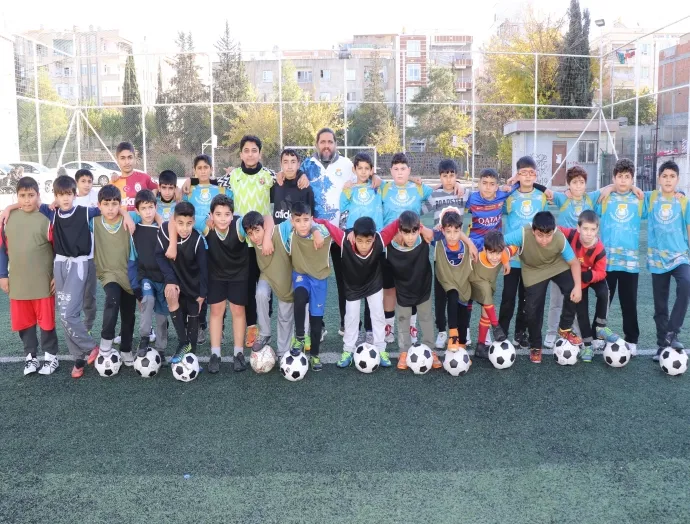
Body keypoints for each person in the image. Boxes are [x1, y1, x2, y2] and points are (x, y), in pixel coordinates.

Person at [179, 135, 274, 351]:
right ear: (240, 154)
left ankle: (264, 328)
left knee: (265, 286)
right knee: (246, 287)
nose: (250, 154)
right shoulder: (232, 176)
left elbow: (286, 180)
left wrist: (301, 177)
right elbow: (208, 181)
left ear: (260, 153)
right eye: (246, 150)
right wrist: (190, 181)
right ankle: (251, 327)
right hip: (240, 239)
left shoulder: (269, 175)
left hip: (260, 239)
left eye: (254, 150)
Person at [314, 216, 401, 369]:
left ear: (374, 237)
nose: (364, 246)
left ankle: (381, 349)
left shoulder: (380, 240)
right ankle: (348, 350)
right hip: (352, 286)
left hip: (373, 283)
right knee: (351, 317)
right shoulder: (345, 241)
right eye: (360, 241)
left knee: (378, 315)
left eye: (368, 241)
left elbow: (397, 223)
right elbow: (329, 226)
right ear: (354, 236)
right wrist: (318, 221)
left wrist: (419, 226)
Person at [42, 176, 103, 378]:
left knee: (69, 313)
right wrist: (7, 209)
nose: (65, 198)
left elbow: (108, 208)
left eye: (68, 194)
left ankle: (91, 347)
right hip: (59, 263)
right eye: (61, 195)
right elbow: (30, 203)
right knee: (64, 314)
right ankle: (78, 359)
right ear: (55, 196)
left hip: (79, 263)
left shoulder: (85, 211)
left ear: (75, 194)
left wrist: (127, 216)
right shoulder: (52, 213)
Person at [503, 211, 583, 363]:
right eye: (540, 235)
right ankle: (535, 345)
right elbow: (500, 241)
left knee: (572, 288)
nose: (544, 240)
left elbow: (574, 263)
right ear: (533, 231)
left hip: (556, 265)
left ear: (554, 231)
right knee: (532, 310)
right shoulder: (523, 234)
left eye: (548, 235)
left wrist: (578, 287)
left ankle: (565, 328)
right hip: (533, 271)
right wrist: (505, 258)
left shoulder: (559, 237)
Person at [0, 177, 59, 376]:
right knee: (24, 322)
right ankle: (30, 357)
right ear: (16, 196)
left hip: (43, 281)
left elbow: (58, 249)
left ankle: (51, 356)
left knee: (47, 321)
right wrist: (2, 275)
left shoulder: (47, 217)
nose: (27, 200)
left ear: (38, 195)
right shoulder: (7, 218)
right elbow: (2, 249)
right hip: (18, 281)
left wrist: (56, 275)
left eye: (31, 195)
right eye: (22, 196)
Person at [380, 153, 434, 344]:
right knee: (389, 289)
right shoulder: (384, 188)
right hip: (389, 248)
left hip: (413, 248)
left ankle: (412, 327)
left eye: (403, 169)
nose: (400, 172)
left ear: (409, 170)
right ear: (391, 171)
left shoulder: (418, 188)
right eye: (396, 169)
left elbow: (440, 193)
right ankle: (388, 327)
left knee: (411, 287)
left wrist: (458, 185)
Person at [595, 158, 647, 355]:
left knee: (629, 302)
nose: (623, 180)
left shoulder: (640, 199)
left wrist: (634, 189)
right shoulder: (605, 198)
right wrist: (608, 188)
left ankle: (632, 339)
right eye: (619, 176)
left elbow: (662, 196)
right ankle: (597, 336)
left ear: (632, 179)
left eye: (627, 177)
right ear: (613, 178)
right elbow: (588, 197)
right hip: (607, 262)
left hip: (630, 263)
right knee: (604, 300)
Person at [498, 157, 548, 350]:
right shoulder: (509, 196)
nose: (527, 176)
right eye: (523, 172)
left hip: (532, 258)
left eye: (531, 172)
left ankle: (520, 333)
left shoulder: (541, 197)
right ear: (517, 174)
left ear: (536, 175)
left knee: (526, 299)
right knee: (508, 297)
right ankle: (501, 333)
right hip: (511, 257)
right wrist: (508, 185)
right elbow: (495, 201)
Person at [644, 160, 690, 360]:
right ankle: (662, 345)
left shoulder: (684, 201)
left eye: (672, 176)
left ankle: (672, 332)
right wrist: (609, 187)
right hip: (657, 259)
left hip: (680, 256)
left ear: (677, 179)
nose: (668, 180)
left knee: (686, 283)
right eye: (664, 176)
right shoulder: (651, 197)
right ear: (659, 179)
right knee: (660, 305)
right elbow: (630, 191)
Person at [558, 211, 618, 362]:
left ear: (597, 230)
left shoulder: (599, 248)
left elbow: (602, 272)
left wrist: (590, 276)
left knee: (604, 292)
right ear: (578, 228)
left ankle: (600, 326)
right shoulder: (571, 234)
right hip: (578, 279)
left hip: (592, 275)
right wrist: (539, 225)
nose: (589, 233)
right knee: (582, 311)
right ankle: (587, 345)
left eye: (592, 229)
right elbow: (555, 229)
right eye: (585, 229)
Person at [92, 184, 140, 366]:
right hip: (107, 273)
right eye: (106, 204)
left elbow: (150, 213)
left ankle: (126, 349)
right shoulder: (94, 221)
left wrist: (126, 214)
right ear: (99, 205)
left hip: (128, 274)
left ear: (120, 205)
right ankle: (106, 342)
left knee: (128, 314)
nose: (110, 208)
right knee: (112, 300)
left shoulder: (129, 218)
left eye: (114, 204)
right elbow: (71, 212)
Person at [204, 195, 253, 373]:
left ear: (233, 215)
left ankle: (238, 353)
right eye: (218, 214)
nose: (223, 218)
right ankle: (215, 354)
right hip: (216, 274)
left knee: (238, 311)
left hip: (238, 274)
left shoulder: (240, 225)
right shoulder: (205, 225)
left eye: (227, 214)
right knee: (216, 311)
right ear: (211, 215)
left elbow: (263, 219)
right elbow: (177, 219)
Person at [382, 211, 436, 370]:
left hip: (423, 287)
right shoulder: (390, 245)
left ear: (419, 230)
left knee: (426, 318)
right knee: (403, 319)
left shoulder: (425, 239)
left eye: (414, 232)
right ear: (399, 231)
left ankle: (430, 350)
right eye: (406, 233)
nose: (410, 237)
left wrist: (425, 229)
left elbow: (436, 234)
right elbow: (377, 238)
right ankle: (404, 352)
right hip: (403, 289)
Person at [155, 201, 208, 364]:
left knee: (193, 322)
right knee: (170, 292)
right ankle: (182, 342)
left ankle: (191, 359)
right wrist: (170, 279)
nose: (184, 228)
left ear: (194, 222)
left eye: (189, 224)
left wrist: (202, 295)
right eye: (180, 223)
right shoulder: (165, 232)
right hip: (176, 282)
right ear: (174, 221)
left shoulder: (197, 240)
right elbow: (159, 256)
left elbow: (204, 269)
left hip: (194, 286)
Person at [423, 159, 466, 350]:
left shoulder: (463, 194)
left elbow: (485, 195)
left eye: (452, 175)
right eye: (444, 176)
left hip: (459, 254)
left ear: (456, 176)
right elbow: (418, 208)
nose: (449, 179)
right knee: (440, 295)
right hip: (440, 252)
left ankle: (459, 330)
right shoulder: (435, 195)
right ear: (440, 177)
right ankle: (441, 330)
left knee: (458, 294)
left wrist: (460, 185)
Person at [183, 154, 225, 346]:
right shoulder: (188, 190)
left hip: (215, 244)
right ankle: (199, 325)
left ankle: (219, 326)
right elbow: (182, 211)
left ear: (211, 169)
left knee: (215, 285)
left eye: (206, 167)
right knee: (197, 285)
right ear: (194, 171)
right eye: (199, 168)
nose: (202, 171)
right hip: (193, 243)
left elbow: (228, 210)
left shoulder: (220, 189)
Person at [243, 211, 296, 360]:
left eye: (257, 231)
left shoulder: (278, 232)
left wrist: (316, 231)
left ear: (264, 228)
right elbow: (263, 218)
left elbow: (289, 219)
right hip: (267, 274)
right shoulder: (252, 235)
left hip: (285, 279)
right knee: (260, 293)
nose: (255, 237)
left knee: (284, 316)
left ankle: (283, 352)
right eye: (250, 234)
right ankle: (265, 333)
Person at [284, 201, 331, 371]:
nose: (302, 224)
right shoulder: (289, 233)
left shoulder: (322, 232)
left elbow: (326, 228)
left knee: (316, 319)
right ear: (292, 221)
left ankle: (315, 355)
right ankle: (299, 337)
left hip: (319, 279)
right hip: (301, 275)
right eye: (298, 221)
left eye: (306, 220)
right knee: (299, 296)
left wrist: (315, 230)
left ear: (311, 219)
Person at [431, 209, 479, 354]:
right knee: (450, 298)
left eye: (456, 231)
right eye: (448, 231)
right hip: (446, 280)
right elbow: (422, 231)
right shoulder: (438, 242)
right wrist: (436, 229)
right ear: (442, 230)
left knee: (463, 313)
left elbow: (488, 245)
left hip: (462, 283)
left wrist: (470, 244)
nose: (452, 236)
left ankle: (462, 344)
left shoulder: (467, 245)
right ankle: (450, 334)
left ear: (461, 230)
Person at [131, 190, 169, 362]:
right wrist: (135, 284)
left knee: (162, 317)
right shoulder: (135, 229)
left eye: (151, 207)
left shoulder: (164, 229)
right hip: (145, 276)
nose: (148, 212)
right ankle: (145, 337)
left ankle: (161, 348)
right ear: (137, 211)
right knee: (147, 301)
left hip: (163, 278)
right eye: (143, 208)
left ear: (156, 207)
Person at [467, 230, 513, 359]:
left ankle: (480, 346)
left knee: (485, 312)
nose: (495, 257)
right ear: (484, 249)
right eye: (491, 253)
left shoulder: (502, 254)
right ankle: (496, 326)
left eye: (498, 253)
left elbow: (512, 248)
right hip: (472, 282)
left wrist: (506, 261)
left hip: (488, 284)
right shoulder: (477, 255)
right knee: (485, 293)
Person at [74, 168, 99, 336]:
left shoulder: (96, 197)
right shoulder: (71, 199)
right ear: (76, 183)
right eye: (83, 181)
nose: (87, 184)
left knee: (90, 295)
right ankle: (75, 327)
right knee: (75, 294)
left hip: (91, 255)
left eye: (89, 181)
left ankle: (87, 327)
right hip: (74, 256)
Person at [339, 153, 383, 231]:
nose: (363, 172)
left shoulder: (378, 186)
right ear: (354, 170)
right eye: (360, 168)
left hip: (375, 232)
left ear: (371, 170)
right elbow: (343, 211)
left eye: (366, 168)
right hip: (355, 233)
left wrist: (375, 176)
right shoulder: (349, 189)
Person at [111, 141, 158, 211]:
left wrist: (152, 201)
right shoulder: (113, 183)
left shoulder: (144, 178)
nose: (127, 162)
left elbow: (157, 187)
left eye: (130, 157)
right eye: (123, 158)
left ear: (135, 158)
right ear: (117, 160)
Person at [272, 148, 315, 224]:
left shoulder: (305, 187)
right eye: (285, 162)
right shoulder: (275, 185)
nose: (289, 166)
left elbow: (311, 216)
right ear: (281, 164)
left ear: (298, 164)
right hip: (279, 230)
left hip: (297, 231)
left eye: (293, 162)